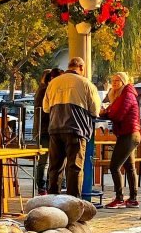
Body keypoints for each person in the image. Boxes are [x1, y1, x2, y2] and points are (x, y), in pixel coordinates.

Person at [43, 57, 102, 197]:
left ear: (69, 66)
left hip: (55, 128)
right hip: (76, 129)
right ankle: (73, 203)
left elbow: (46, 108)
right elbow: (95, 110)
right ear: (81, 68)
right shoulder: (86, 83)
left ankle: (53, 203)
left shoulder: (53, 83)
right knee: (74, 168)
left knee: (55, 167)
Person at [99, 72, 141, 208]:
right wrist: (108, 111)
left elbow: (117, 114)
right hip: (129, 133)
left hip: (129, 134)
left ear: (124, 82)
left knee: (114, 166)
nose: (115, 83)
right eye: (113, 80)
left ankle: (119, 198)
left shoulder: (127, 95)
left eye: (118, 80)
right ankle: (133, 199)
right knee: (129, 166)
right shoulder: (120, 95)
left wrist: (106, 113)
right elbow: (113, 110)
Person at [32, 68, 60, 195]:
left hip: (44, 129)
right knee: (45, 160)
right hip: (45, 129)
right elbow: (45, 111)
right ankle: (42, 187)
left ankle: (45, 186)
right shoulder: (45, 91)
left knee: (47, 160)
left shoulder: (43, 90)